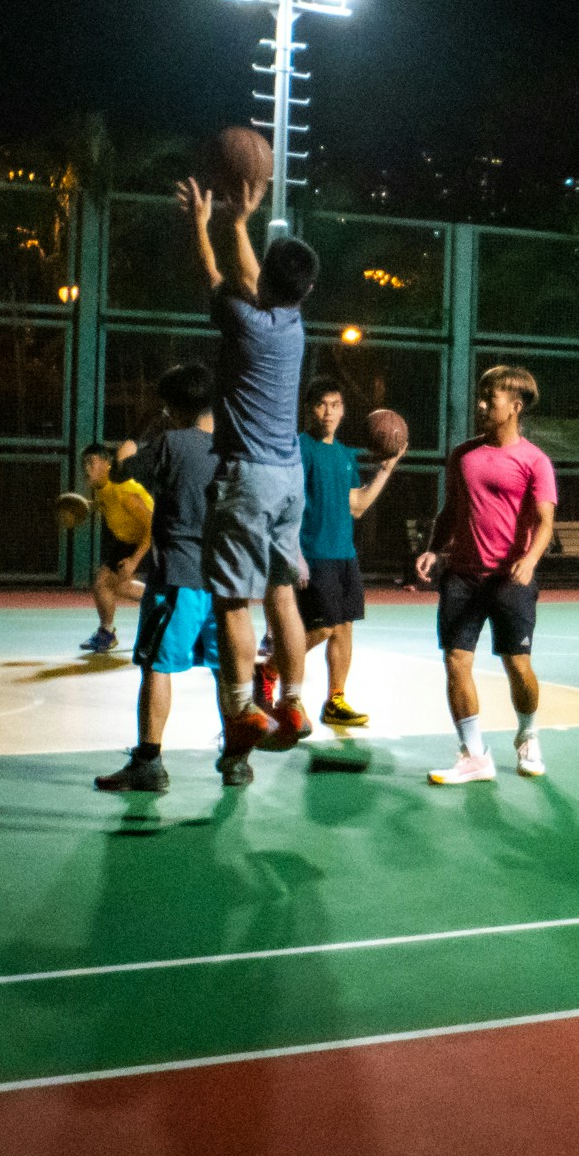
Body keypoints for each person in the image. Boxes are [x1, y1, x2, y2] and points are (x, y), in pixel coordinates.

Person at [183, 177, 318, 782]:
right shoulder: (292, 326)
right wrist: (241, 225)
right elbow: (253, 279)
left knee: (234, 599)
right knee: (282, 596)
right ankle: (292, 703)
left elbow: (217, 274)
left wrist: (207, 222)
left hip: (248, 478)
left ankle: (241, 713)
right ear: (306, 290)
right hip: (291, 478)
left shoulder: (243, 320)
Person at [412, 363, 556, 787]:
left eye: (488, 399)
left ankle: (528, 733)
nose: (479, 404)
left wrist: (529, 560)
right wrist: (435, 549)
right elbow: (451, 511)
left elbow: (546, 521)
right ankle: (474, 755)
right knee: (456, 662)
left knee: (518, 666)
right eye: (480, 396)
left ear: (514, 407)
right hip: (462, 577)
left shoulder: (534, 461)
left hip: (510, 580)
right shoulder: (463, 455)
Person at [95, 366, 221, 796]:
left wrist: (149, 426)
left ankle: (148, 762)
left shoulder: (170, 442)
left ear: (172, 407)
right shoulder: (235, 447)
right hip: (225, 583)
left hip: (179, 577)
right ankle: (237, 760)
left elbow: (121, 469)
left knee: (155, 666)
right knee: (227, 669)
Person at [297, 380, 402, 731]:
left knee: (343, 630)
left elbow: (356, 506)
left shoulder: (344, 455)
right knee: (323, 627)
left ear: (343, 409)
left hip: (344, 553)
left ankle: (335, 700)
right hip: (312, 552)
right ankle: (269, 670)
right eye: (321, 404)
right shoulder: (299, 448)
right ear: (309, 408)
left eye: (336, 404)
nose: (329, 411)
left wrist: (386, 470)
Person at [75, 438, 153, 662]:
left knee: (114, 583)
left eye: (92, 462)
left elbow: (152, 527)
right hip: (127, 539)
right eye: (84, 464)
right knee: (103, 584)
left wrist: (134, 561)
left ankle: (161, 600)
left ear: (107, 464)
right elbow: (104, 504)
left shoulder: (124, 490)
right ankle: (107, 633)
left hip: (151, 538)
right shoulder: (101, 489)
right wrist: (84, 509)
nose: (86, 468)